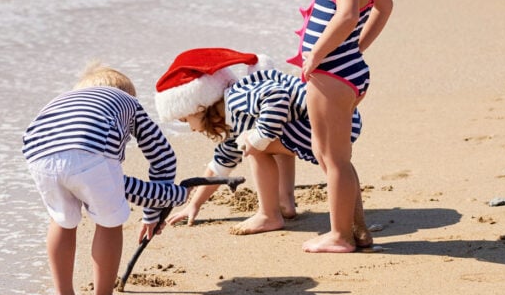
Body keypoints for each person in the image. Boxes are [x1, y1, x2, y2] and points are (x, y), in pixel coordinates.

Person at [284, 0, 399, 253]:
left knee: (332, 159)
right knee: (334, 157)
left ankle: (339, 235)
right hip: (346, 69)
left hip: (331, 74)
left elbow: (347, 14)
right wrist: (356, 48)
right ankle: (358, 229)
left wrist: (317, 54)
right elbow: (384, 7)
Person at [22, 63, 187, 295]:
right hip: (90, 149)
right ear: (129, 94)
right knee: (109, 222)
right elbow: (163, 157)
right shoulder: (128, 102)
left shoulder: (65, 102)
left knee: (61, 220)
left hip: (38, 153)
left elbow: (119, 184)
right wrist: (155, 212)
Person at [153, 48, 369, 243]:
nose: (190, 128)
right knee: (260, 137)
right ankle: (285, 203)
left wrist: (259, 137)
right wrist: (194, 204)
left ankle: (269, 215)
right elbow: (219, 166)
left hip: (328, 121)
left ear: (200, 106)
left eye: (186, 120)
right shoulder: (235, 119)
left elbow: (277, 96)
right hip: (335, 119)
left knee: (255, 142)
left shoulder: (236, 99)